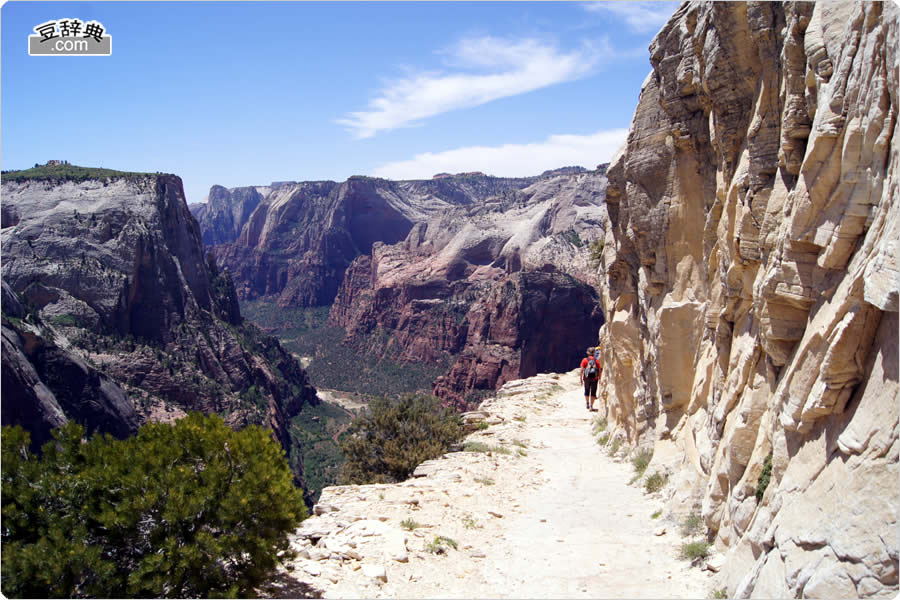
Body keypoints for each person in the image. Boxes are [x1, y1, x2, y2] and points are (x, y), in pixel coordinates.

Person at [580, 347, 602, 411]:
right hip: (595, 378)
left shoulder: (584, 360)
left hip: (586, 378)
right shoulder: (597, 361)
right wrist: (600, 378)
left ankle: (587, 403)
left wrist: (581, 379)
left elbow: (582, 370)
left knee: (587, 391)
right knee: (593, 392)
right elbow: (599, 370)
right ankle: (591, 406)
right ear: (594, 353)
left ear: (588, 353)